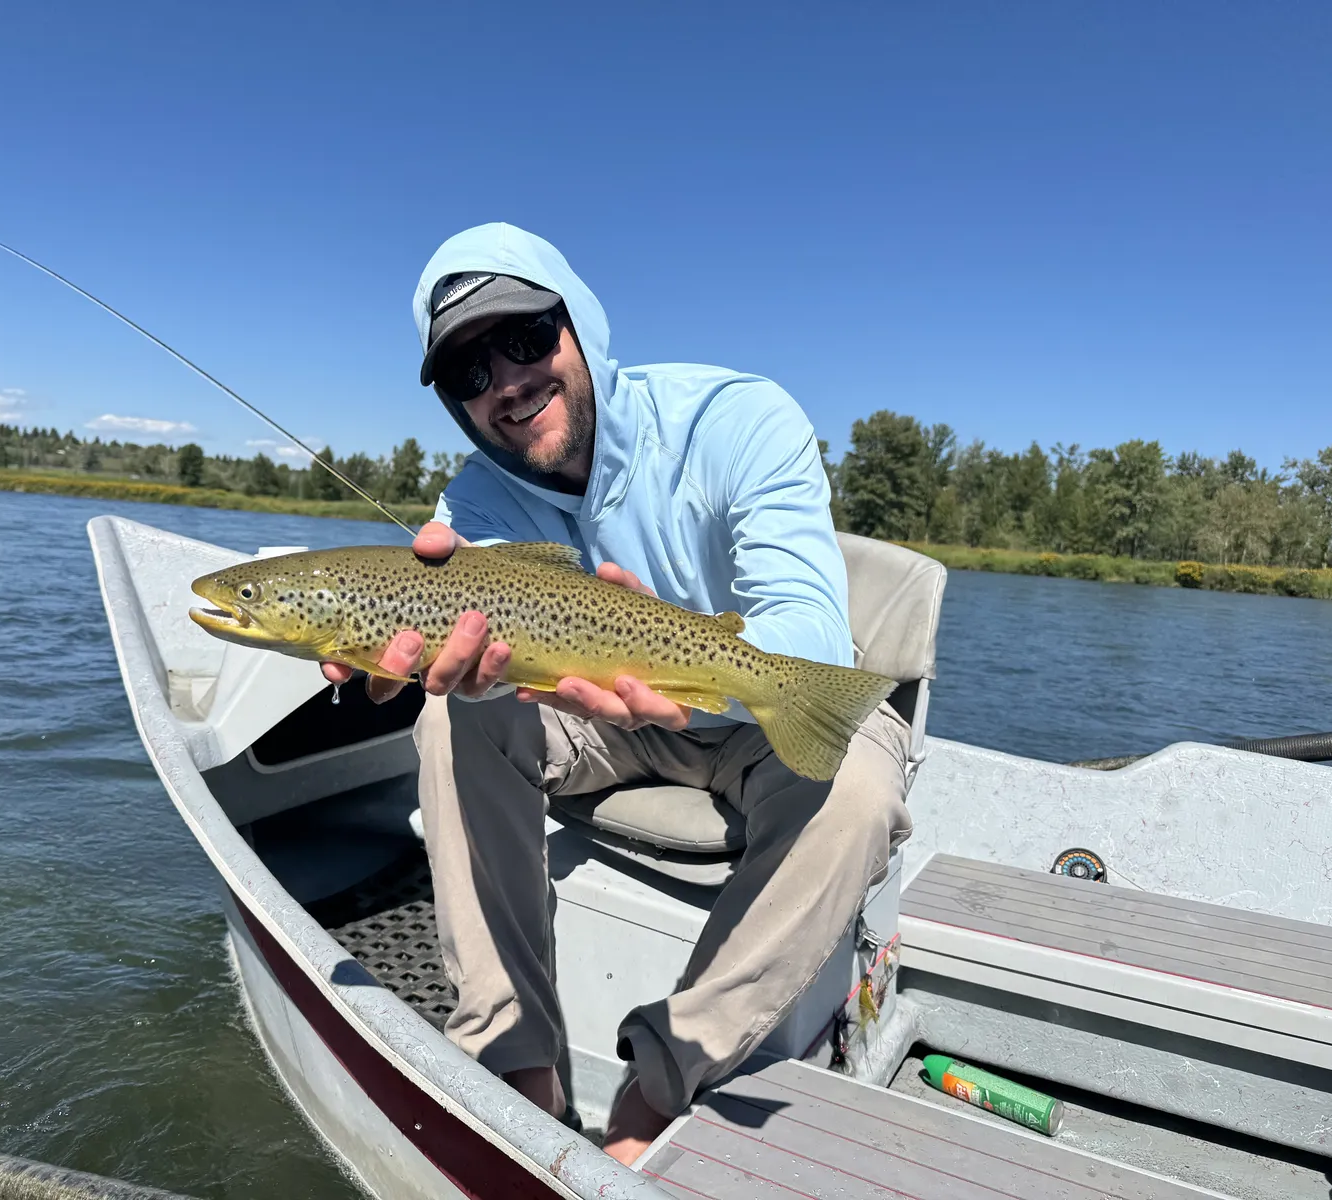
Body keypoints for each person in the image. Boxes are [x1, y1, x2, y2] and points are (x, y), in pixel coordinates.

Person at [321, 223, 911, 1165]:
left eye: (524, 338)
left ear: (580, 327)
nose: (505, 383)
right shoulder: (469, 505)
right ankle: (519, 1064)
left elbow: (808, 620)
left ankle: (662, 1079)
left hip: (749, 704)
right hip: (593, 721)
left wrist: (684, 663)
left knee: (863, 788)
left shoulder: (734, 418)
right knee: (453, 714)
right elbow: (437, 639)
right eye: (469, 372)